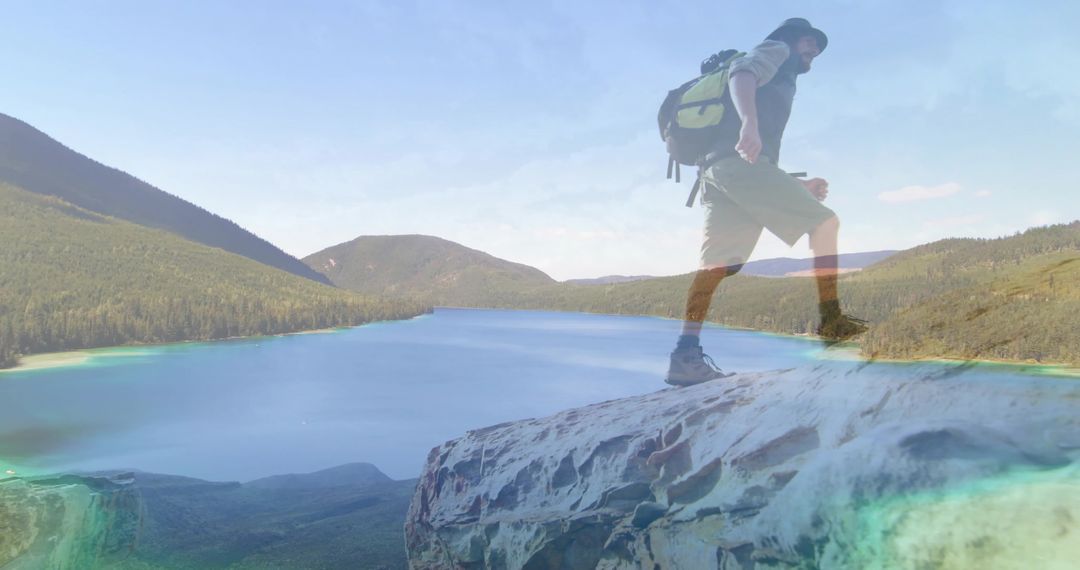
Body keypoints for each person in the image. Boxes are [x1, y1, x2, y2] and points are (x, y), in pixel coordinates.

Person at [666, 18, 867, 387]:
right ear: (792, 38)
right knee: (826, 223)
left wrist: (795, 184)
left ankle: (684, 356)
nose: (814, 50)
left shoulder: (781, 76)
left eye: (818, 47)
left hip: (718, 172)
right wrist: (750, 123)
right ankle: (831, 320)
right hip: (738, 167)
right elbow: (741, 73)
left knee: (714, 268)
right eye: (810, 41)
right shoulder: (777, 50)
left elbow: (748, 157)